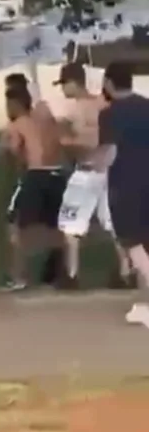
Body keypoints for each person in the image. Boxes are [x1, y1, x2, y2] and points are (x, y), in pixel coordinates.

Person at [53, 63, 135, 290]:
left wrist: (68, 142)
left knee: (70, 224)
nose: (62, 90)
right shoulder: (104, 104)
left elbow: (91, 141)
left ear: (73, 82)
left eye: (63, 84)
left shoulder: (76, 110)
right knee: (114, 224)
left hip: (88, 170)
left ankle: (71, 274)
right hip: (109, 171)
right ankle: (125, 272)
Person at [96, 62, 149, 325]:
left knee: (133, 246)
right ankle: (145, 304)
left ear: (108, 83)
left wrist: (93, 161)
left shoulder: (109, 115)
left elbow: (108, 154)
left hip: (126, 186)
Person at [2, 85, 68, 290]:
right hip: (57, 174)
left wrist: (7, 154)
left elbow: (14, 151)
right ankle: (61, 273)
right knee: (55, 226)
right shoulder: (43, 122)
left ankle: (18, 277)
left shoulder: (17, 124)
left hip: (35, 176)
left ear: (14, 105)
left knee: (15, 226)